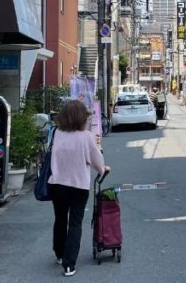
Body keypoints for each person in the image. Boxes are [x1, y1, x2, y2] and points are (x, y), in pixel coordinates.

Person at [50, 99, 110, 277]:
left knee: (60, 219)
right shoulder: (86, 136)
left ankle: (60, 254)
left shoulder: (57, 133)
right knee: (75, 223)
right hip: (78, 186)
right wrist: (103, 169)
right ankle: (69, 265)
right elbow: (96, 159)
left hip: (57, 184)